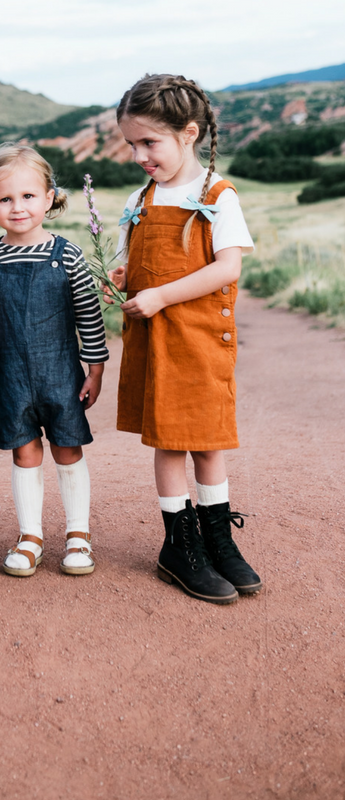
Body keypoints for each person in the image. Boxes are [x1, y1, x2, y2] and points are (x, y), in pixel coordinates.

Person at [111, 73, 262, 605]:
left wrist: (161, 296)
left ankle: (218, 540)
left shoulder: (217, 195)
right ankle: (179, 544)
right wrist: (127, 274)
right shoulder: (142, 195)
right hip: (155, 340)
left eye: (149, 142)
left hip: (198, 338)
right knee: (169, 440)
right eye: (132, 144)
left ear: (188, 133)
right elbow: (136, 258)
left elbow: (227, 268)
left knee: (207, 441)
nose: (139, 155)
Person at [0, 144, 108, 578]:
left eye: (28, 196)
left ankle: (78, 535)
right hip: (10, 378)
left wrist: (96, 368)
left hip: (60, 375)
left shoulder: (66, 254)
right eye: (5, 199)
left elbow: (89, 313)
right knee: (24, 453)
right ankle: (30, 536)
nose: (18, 207)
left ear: (49, 198)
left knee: (68, 450)